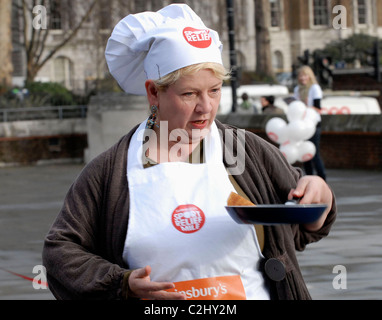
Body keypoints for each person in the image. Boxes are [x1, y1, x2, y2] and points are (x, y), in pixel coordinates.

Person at [42, 4, 336, 300]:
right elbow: (60, 253)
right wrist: (123, 284)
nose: (205, 107)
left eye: (215, 90)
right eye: (189, 94)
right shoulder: (111, 171)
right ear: (153, 92)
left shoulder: (246, 151)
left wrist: (319, 195)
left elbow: (304, 228)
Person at [293, 65, 327, 180]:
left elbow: (318, 107)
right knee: (304, 154)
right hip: (301, 125)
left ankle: (322, 179)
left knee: (314, 153)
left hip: (312, 124)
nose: (302, 78)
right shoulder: (297, 89)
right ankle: (309, 178)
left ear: (309, 76)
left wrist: (306, 106)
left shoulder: (314, 88)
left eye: (305, 75)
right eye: (301, 76)